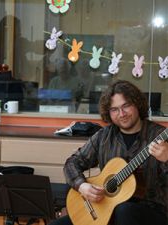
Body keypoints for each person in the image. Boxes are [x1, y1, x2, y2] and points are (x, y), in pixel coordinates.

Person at [49, 80, 168, 225]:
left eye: (126, 106)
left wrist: (167, 159)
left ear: (137, 104)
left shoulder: (160, 136)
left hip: (152, 212)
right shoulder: (103, 136)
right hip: (104, 208)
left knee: (124, 210)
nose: (122, 114)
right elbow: (72, 164)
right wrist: (82, 186)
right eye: (114, 109)